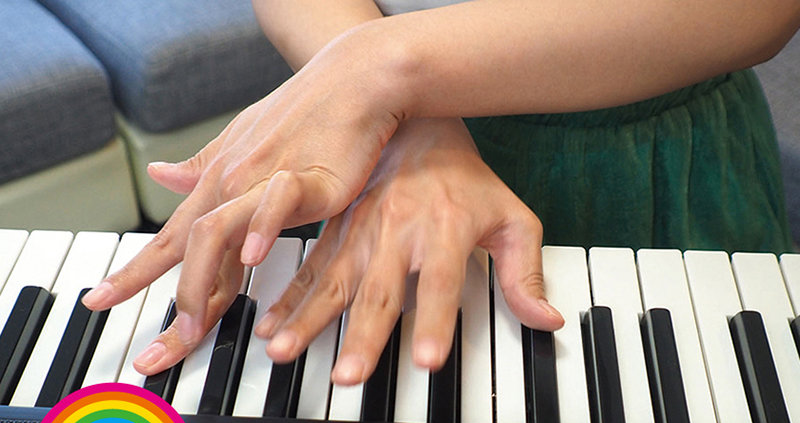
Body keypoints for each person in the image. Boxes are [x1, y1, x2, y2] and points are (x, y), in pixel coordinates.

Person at [82, 1, 800, 387]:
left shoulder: (377, 72)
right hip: (371, 137)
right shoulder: (376, 89)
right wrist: (400, 120)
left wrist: (382, 71)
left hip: (646, 149)